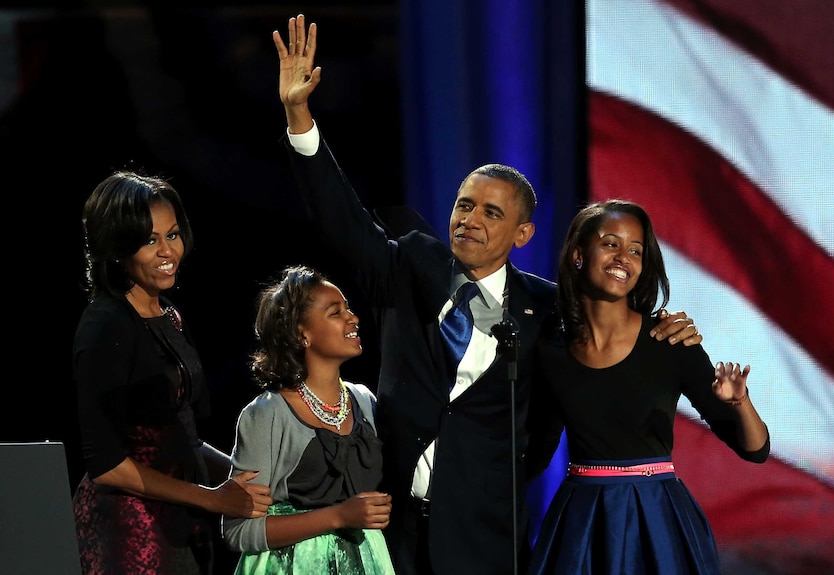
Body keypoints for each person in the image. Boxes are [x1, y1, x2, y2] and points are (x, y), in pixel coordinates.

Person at [272, 15, 702, 575]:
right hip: (386, 525)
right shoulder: (409, 266)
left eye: (491, 213)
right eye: (464, 205)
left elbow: (570, 395)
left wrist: (661, 329)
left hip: (486, 535)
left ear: (522, 234)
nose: (470, 220)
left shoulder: (548, 311)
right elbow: (342, 222)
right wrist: (299, 117)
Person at [525, 199, 770, 574]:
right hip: (582, 522)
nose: (623, 257)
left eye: (635, 250)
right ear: (578, 255)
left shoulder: (669, 342)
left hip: (657, 520)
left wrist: (741, 403)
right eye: (610, 244)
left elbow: (754, 450)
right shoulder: (550, 350)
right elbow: (535, 453)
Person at [72, 170, 273, 575]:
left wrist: (252, 476)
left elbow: (186, 439)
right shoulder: (105, 325)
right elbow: (107, 464)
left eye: (173, 234)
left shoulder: (170, 317)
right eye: (150, 240)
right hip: (130, 533)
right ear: (118, 248)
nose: (168, 250)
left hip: (183, 524)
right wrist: (213, 499)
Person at [222, 264, 395, 575]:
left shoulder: (364, 401)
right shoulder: (266, 414)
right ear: (302, 334)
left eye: (349, 308)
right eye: (335, 312)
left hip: (366, 563)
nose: (352, 318)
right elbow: (238, 532)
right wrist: (339, 516)